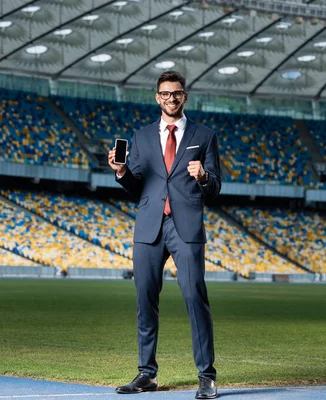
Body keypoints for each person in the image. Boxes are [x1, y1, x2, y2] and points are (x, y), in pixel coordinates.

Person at [108, 71, 221, 399]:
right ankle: (146, 374)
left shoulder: (205, 135)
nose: (171, 98)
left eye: (177, 93)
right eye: (165, 93)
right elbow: (136, 185)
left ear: (185, 96)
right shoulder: (141, 137)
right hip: (148, 228)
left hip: (185, 227)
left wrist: (202, 177)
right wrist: (121, 172)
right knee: (145, 300)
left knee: (194, 298)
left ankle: (207, 376)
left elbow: (214, 189)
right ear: (157, 97)